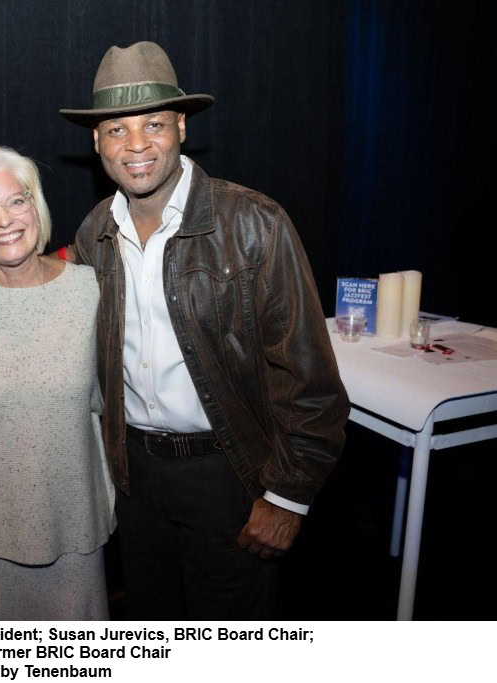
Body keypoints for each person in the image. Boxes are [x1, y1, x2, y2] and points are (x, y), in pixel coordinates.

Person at [58, 41, 349, 619]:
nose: (136, 146)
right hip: (135, 480)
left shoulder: (254, 224)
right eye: (116, 130)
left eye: (154, 125)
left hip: (230, 475)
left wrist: (287, 497)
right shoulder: (94, 233)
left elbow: (310, 380)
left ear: (182, 127)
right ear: (96, 141)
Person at [0, 145, 115, 620]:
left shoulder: (90, 290)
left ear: (36, 206)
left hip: (73, 526)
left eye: (16, 201)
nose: (4, 221)